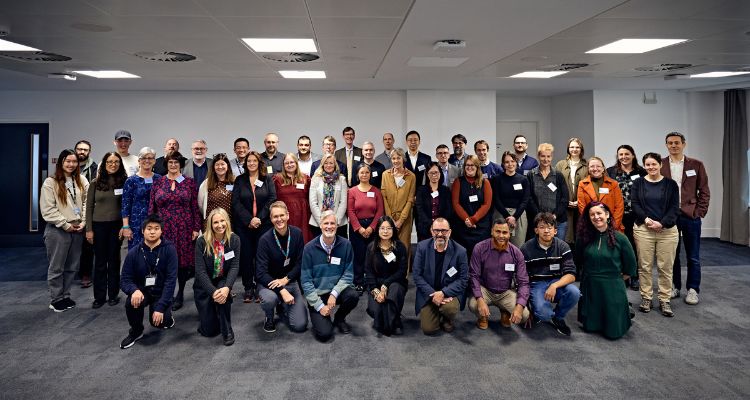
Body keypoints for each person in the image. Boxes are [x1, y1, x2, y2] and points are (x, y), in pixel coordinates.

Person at [575, 202, 636, 340]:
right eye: (592, 214)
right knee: (590, 327)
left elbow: (631, 267)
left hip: (613, 286)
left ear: (607, 215)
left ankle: (624, 308)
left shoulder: (621, 238)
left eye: (599, 213)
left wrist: (616, 281)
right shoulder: (583, 238)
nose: (596, 217)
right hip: (590, 285)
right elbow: (578, 261)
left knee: (612, 332)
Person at [148, 151, 201, 312]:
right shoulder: (158, 182)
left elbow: (195, 207)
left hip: (184, 227)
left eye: (176, 162)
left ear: (180, 164)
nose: (173, 165)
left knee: (182, 263)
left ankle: (180, 292)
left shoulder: (189, 183)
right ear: (166, 164)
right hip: (163, 228)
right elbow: (152, 207)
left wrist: (196, 228)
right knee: (163, 262)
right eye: (170, 162)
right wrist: (150, 228)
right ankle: (166, 293)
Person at [662, 132, 710, 305]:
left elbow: (704, 190)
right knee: (671, 255)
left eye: (677, 143)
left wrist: (700, 212)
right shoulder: (660, 164)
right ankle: (675, 286)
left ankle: (692, 289)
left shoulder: (696, 165)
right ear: (666, 145)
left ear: (683, 144)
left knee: (693, 256)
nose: (673, 145)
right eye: (670, 143)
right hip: (669, 216)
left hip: (690, 215)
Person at [632, 153, 680, 317]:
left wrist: (662, 223)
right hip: (644, 229)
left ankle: (664, 300)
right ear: (644, 166)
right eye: (647, 165)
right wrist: (647, 220)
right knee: (644, 266)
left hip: (666, 231)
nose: (651, 167)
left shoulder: (671, 184)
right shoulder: (638, 183)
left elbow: (674, 207)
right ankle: (646, 298)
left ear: (660, 165)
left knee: (665, 267)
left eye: (654, 164)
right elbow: (635, 204)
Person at [119, 214, 178, 349]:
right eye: (149, 228)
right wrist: (134, 290)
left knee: (159, 322)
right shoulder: (134, 253)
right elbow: (125, 279)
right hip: (142, 291)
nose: (152, 231)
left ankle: (166, 315)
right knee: (131, 302)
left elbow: (170, 281)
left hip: (161, 292)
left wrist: (161, 307)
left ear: (161, 231)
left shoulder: (169, 250)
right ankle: (136, 331)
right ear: (142, 231)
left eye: (156, 228)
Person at [42, 149, 89, 312]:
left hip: (77, 229)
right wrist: (65, 224)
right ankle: (56, 298)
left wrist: (83, 221)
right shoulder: (51, 182)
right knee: (57, 267)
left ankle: (66, 295)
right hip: (58, 230)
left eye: (74, 161)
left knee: (72, 266)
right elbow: (48, 210)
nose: (71, 164)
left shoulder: (82, 180)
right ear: (61, 162)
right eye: (67, 161)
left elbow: (86, 203)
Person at [300, 210, 359, 342]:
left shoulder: (346, 245)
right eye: (326, 223)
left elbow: (348, 274)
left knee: (353, 295)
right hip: (318, 294)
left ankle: (339, 319)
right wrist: (320, 307)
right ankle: (322, 315)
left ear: (337, 226)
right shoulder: (309, 248)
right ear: (320, 225)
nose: (329, 226)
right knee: (325, 334)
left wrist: (334, 293)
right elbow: (306, 281)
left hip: (336, 292)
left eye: (333, 223)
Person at [520, 213, 580, 335]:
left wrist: (554, 286)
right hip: (536, 284)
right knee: (544, 314)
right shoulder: (526, 248)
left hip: (556, 282)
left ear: (555, 231)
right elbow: (522, 279)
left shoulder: (563, 246)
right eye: (542, 227)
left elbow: (571, 274)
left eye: (550, 227)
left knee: (574, 293)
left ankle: (558, 317)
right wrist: (525, 307)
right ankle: (538, 310)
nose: (546, 231)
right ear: (536, 230)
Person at [468, 218, 530, 330]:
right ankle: (482, 317)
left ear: (509, 234)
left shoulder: (516, 253)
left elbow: (524, 282)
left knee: (524, 315)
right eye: (498, 231)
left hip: (506, 292)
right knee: (474, 305)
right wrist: (480, 300)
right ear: (492, 231)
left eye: (505, 232)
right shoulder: (480, 248)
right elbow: (474, 276)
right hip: (485, 289)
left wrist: (520, 306)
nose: (501, 236)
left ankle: (505, 311)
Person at [256, 201, 308, 333]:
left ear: (288, 215)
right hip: (270, 283)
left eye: (282, 215)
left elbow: (300, 262)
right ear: (271, 219)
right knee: (270, 299)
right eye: (275, 216)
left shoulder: (297, 234)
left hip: (290, 281)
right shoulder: (265, 240)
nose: (279, 219)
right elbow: (260, 273)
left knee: (300, 326)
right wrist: (281, 290)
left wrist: (286, 279)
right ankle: (269, 317)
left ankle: (282, 306)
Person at [232, 151, 277, 303]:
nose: (251, 163)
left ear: (259, 163)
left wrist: (259, 218)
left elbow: (272, 198)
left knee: (261, 258)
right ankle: (248, 288)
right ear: (246, 164)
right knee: (246, 257)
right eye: (249, 161)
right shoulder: (239, 180)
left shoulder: (267, 179)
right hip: (244, 227)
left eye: (254, 161)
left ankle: (261, 286)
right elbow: (236, 203)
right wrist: (249, 220)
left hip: (263, 225)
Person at [85, 152, 127, 308]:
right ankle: (99, 296)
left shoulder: (124, 182)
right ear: (104, 163)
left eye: (116, 161)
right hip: (98, 226)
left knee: (114, 261)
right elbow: (88, 208)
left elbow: (126, 206)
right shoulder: (95, 183)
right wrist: (89, 229)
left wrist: (125, 226)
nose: (113, 164)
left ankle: (113, 295)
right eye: (110, 161)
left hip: (116, 226)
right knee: (100, 262)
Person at [412, 218, 468, 335]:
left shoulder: (460, 251)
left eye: (444, 231)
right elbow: (417, 275)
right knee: (428, 329)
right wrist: (434, 294)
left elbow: (463, 279)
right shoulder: (422, 247)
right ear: (431, 231)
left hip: (449, 294)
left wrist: (443, 293)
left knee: (449, 309)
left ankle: (447, 317)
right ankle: (438, 312)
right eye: (436, 230)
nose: (440, 234)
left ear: (450, 232)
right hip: (429, 293)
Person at [194, 208, 240, 345]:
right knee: (209, 331)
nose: (219, 225)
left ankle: (228, 331)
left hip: (222, 280)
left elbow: (234, 266)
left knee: (223, 298)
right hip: (204, 284)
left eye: (222, 221)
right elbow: (200, 271)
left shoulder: (234, 239)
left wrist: (227, 288)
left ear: (227, 221)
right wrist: (213, 292)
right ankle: (211, 314)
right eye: (215, 222)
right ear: (210, 225)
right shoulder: (201, 242)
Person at [607, 144, 647, 290]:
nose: (624, 157)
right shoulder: (611, 172)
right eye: (621, 154)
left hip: (636, 216)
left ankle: (634, 276)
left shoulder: (641, 172)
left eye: (627, 154)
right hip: (617, 216)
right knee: (618, 246)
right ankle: (621, 276)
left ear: (633, 155)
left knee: (635, 247)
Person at [364, 216, 408, 336]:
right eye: (382, 228)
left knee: (393, 295)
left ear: (393, 230)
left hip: (395, 282)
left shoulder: (400, 247)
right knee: (375, 310)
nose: (385, 231)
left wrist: (386, 285)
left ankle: (393, 323)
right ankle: (393, 319)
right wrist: (376, 290)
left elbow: (402, 271)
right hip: (376, 284)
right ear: (377, 230)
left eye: (389, 228)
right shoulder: (371, 248)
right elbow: (369, 272)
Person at [347, 164, 384, 293]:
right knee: (358, 256)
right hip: (357, 228)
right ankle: (358, 282)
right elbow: (350, 211)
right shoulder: (352, 191)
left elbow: (380, 211)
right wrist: (359, 228)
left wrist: (372, 228)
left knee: (373, 256)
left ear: (370, 174)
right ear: (357, 175)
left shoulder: (376, 191)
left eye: (367, 172)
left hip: (373, 227)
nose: (364, 175)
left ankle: (371, 283)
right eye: (361, 172)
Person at [451, 154, 493, 261]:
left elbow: (487, 204)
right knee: (463, 257)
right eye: (467, 165)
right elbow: (456, 203)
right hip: (462, 226)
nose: (470, 167)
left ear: (477, 167)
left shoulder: (485, 182)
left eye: (473, 165)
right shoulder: (458, 182)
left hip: (481, 226)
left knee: (481, 257)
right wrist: (467, 219)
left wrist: (473, 219)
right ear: (464, 167)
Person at [527, 143, 569, 240]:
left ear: (552, 157)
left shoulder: (558, 175)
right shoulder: (531, 174)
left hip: (558, 222)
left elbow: (564, 198)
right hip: (537, 221)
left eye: (548, 156)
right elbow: (529, 198)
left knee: (557, 250)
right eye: (543, 156)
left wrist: (555, 215)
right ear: (538, 156)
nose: (546, 159)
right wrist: (539, 216)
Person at [121, 147, 161, 249]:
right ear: (139, 161)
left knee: (155, 252)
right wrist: (126, 226)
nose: (147, 160)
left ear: (154, 161)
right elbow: (125, 205)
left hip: (155, 223)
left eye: (150, 158)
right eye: (143, 158)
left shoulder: (159, 179)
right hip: (136, 223)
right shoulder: (131, 181)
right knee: (137, 253)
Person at [492, 151, 531, 247]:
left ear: (516, 162)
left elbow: (525, 200)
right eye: (507, 162)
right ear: (503, 164)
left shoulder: (523, 179)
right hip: (501, 214)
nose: (510, 164)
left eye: (512, 161)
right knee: (499, 245)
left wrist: (515, 217)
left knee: (518, 246)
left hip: (519, 215)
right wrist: (507, 216)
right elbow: (496, 199)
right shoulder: (497, 179)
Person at [381, 148, 416, 249]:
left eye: (398, 158)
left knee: (404, 247)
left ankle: (405, 266)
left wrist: (401, 220)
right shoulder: (385, 175)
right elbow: (384, 197)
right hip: (389, 217)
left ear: (403, 159)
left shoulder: (411, 176)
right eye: (393, 158)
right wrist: (390, 218)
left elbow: (410, 199)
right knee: (388, 246)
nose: (396, 161)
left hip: (405, 219)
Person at [577, 156, 625, 232]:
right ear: (588, 169)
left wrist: (612, 225)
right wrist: (592, 224)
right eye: (592, 166)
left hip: (612, 227)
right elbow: (582, 207)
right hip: (591, 227)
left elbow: (619, 207)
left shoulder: (613, 184)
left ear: (603, 168)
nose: (595, 169)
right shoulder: (582, 184)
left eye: (598, 166)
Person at [273, 153, 313, 243]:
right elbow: (273, 199)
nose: (289, 165)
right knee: (287, 241)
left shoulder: (305, 178)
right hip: (285, 215)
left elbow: (311, 197)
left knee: (303, 240)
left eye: (292, 162)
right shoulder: (277, 179)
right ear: (283, 165)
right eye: (287, 163)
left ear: (296, 163)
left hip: (303, 215)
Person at [555, 137, 587, 244]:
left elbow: (589, 186)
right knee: (565, 236)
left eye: (577, 147)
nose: (574, 149)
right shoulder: (560, 165)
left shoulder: (586, 165)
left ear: (581, 149)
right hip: (565, 206)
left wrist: (580, 201)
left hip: (582, 206)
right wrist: (564, 201)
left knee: (580, 235)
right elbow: (556, 185)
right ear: (568, 148)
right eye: (572, 147)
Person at [309, 154, 349, 238]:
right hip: (318, 223)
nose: (328, 165)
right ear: (322, 164)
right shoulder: (315, 179)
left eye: (331, 163)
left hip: (339, 224)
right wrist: (322, 222)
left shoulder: (341, 179)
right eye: (326, 163)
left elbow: (343, 202)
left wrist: (335, 222)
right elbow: (313, 202)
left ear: (335, 164)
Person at [75, 140, 96, 289]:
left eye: (85, 150)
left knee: (87, 245)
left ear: (89, 152)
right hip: (70, 210)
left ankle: (85, 274)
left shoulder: (94, 168)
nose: (82, 152)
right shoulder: (68, 165)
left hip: (87, 208)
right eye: (80, 149)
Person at [415, 162, 453, 241]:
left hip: (442, 228)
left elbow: (448, 210)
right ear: (427, 174)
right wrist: (431, 224)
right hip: (425, 227)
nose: (434, 175)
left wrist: (439, 224)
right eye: (431, 173)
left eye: (436, 172)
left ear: (440, 173)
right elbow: (419, 209)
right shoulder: (421, 190)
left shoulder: (446, 190)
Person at [197, 153, 235, 224]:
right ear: (213, 167)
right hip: (212, 223)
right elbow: (200, 204)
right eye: (217, 164)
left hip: (230, 222)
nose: (220, 167)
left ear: (227, 166)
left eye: (222, 164)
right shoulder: (206, 183)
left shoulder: (234, 181)